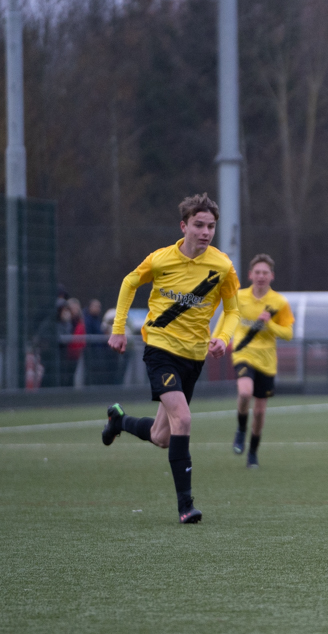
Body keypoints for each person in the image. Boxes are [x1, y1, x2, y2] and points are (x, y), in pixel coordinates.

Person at [100, 193, 240, 523]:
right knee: (185, 419)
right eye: (199, 225)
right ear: (184, 226)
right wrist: (118, 328)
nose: (206, 232)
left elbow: (233, 310)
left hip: (193, 357)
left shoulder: (222, 267)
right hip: (160, 350)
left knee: (163, 437)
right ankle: (186, 506)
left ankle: (118, 421)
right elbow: (130, 281)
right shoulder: (161, 259)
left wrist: (222, 337)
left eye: (211, 227)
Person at [216, 253, 294, 468]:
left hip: (267, 361)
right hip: (244, 354)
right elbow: (225, 318)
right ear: (250, 275)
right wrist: (217, 340)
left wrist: (270, 325)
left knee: (259, 412)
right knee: (244, 392)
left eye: (265, 273)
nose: (261, 276)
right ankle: (241, 430)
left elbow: (288, 334)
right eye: (257, 272)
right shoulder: (239, 297)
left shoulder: (279, 302)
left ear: (272, 276)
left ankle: (253, 453)